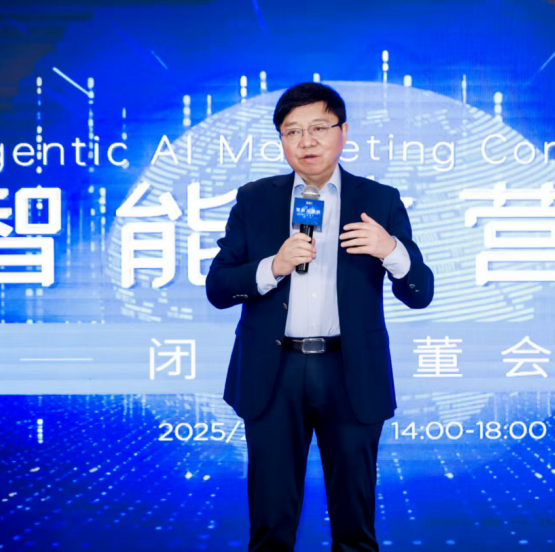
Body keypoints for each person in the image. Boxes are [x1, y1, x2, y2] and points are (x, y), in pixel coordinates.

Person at [205, 82, 434, 552]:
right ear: (281, 140)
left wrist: (392, 250)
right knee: (270, 525)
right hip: (274, 373)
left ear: (343, 132)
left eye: (318, 128)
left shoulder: (380, 200)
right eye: (292, 131)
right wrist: (273, 266)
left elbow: (420, 293)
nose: (305, 141)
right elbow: (218, 288)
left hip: (350, 372)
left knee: (355, 526)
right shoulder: (254, 200)